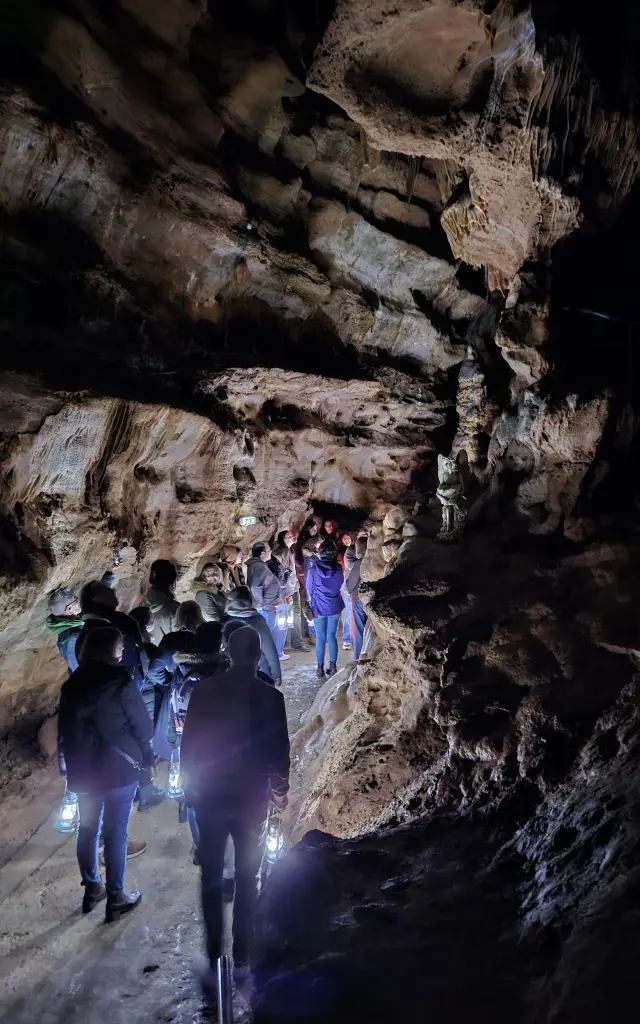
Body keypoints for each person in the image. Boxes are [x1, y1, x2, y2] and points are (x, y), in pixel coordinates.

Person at [181, 626, 290, 986]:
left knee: (211, 876)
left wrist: (189, 788)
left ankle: (215, 955)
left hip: (211, 795)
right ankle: (243, 954)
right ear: (258, 656)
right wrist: (279, 792)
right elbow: (279, 753)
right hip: (251, 799)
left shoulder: (203, 691)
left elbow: (190, 746)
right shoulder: (270, 697)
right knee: (248, 876)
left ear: (227, 652)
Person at [57, 626, 152, 921]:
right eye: (119, 646)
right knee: (115, 832)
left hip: (83, 770)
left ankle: (92, 887)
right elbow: (143, 726)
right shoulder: (121, 681)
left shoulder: (71, 685)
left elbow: (64, 731)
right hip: (118, 770)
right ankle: (116, 895)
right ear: (109, 651)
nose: (122, 651)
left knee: (87, 830)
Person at [224, 587, 281, 685]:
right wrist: (277, 676)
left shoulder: (225, 622)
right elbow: (270, 650)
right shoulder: (258, 621)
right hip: (259, 674)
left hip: (233, 675)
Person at [306, 540, 344, 679]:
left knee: (320, 637)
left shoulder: (313, 569)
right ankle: (333, 668)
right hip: (334, 606)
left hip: (318, 607)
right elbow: (340, 584)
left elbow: (310, 589)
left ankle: (320, 669)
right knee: (331, 636)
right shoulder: (338, 569)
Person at [274, 531, 309, 654]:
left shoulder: (291, 551)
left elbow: (292, 570)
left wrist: (297, 583)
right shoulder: (282, 552)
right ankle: (287, 643)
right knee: (287, 616)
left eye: (291, 535)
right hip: (286, 589)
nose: (292, 536)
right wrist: (287, 592)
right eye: (289, 536)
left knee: (295, 615)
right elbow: (281, 573)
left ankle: (294, 642)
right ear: (282, 539)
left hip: (293, 587)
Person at [246, 542, 281, 641]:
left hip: (266, 607)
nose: (270, 552)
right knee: (265, 636)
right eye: (269, 550)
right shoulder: (258, 567)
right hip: (265, 608)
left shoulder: (259, 565)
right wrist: (261, 606)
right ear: (262, 553)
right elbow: (255, 587)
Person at [46, 587, 83, 673]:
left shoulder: (74, 623)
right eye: (75, 601)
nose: (78, 602)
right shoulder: (70, 639)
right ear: (68, 609)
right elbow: (77, 669)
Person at [143, 559, 179, 644]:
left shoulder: (143, 605)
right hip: (167, 655)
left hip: (148, 654)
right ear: (172, 582)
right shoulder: (175, 609)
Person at [345, 535, 368, 661]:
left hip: (358, 600)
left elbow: (350, 585)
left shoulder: (359, 563)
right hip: (370, 600)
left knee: (358, 630)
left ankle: (359, 659)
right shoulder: (372, 561)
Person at [339, 533, 354, 651]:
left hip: (356, 586)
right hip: (349, 587)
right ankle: (347, 639)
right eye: (344, 538)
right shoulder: (348, 552)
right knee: (349, 613)